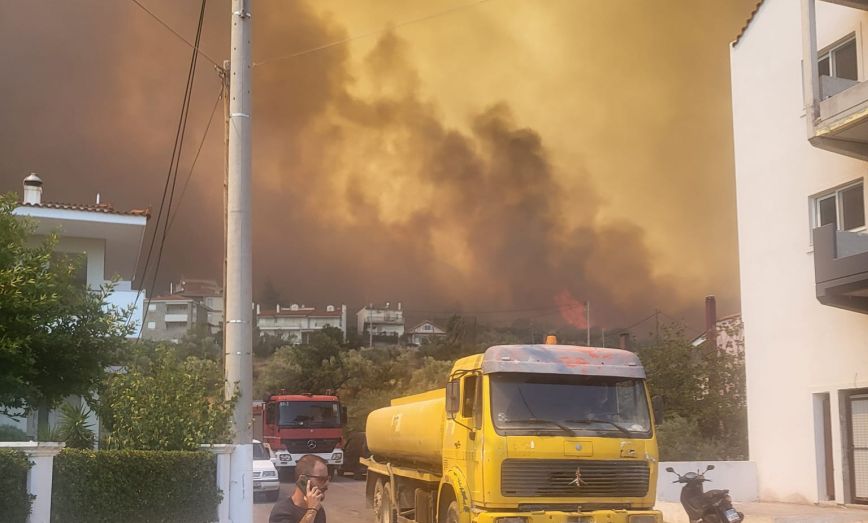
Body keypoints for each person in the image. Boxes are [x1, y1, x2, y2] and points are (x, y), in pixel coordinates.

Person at [269, 454, 329, 523]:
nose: (327, 484)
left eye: (327, 479)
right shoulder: (282, 512)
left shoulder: (319, 510)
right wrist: (312, 511)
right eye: (321, 479)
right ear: (303, 481)